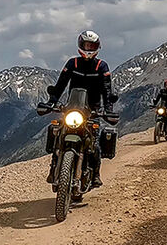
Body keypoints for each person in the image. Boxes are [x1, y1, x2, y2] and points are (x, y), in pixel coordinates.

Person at [45, 30, 116, 187]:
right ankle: (53, 168)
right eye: (86, 45)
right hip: (73, 108)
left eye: (92, 45)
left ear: (97, 47)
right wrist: (52, 100)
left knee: (95, 143)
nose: (89, 48)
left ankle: (96, 174)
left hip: (92, 110)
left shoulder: (101, 66)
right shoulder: (73, 63)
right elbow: (61, 84)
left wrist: (108, 108)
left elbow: (107, 89)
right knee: (57, 132)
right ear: (80, 45)